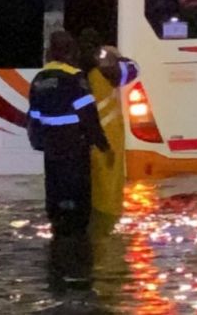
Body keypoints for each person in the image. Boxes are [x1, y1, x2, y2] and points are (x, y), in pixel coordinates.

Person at [28, 30, 110, 236]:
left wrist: (40, 143)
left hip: (51, 149)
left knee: (55, 195)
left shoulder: (39, 79)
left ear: (50, 53)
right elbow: (89, 117)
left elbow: (33, 118)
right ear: (71, 53)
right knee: (77, 198)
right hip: (74, 147)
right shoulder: (75, 78)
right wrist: (103, 146)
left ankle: (58, 238)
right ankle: (77, 248)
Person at [78, 29, 140, 229]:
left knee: (92, 182)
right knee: (109, 183)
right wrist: (115, 56)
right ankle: (108, 221)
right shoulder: (105, 66)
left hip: (84, 134)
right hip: (108, 133)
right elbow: (133, 70)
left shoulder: (76, 66)